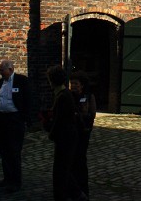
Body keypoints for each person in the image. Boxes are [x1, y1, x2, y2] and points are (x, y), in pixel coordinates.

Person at [47, 65, 87, 201]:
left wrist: (51, 133)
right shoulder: (63, 94)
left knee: (61, 169)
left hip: (66, 138)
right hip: (67, 137)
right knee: (63, 169)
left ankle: (71, 195)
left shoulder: (63, 96)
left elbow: (61, 120)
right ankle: (75, 194)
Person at [0, 59, 31, 193]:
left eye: (2, 70)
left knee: (14, 151)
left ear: (10, 69)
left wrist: (25, 119)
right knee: (3, 151)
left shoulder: (21, 81)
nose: (1, 73)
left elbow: (28, 100)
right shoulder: (0, 83)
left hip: (15, 120)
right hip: (1, 120)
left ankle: (15, 181)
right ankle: (7, 178)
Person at [70, 71, 96, 199]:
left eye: (76, 84)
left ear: (82, 85)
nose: (73, 86)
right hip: (72, 131)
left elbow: (92, 114)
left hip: (83, 131)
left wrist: (84, 116)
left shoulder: (88, 96)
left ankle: (82, 188)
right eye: (72, 83)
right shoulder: (69, 96)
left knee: (80, 159)